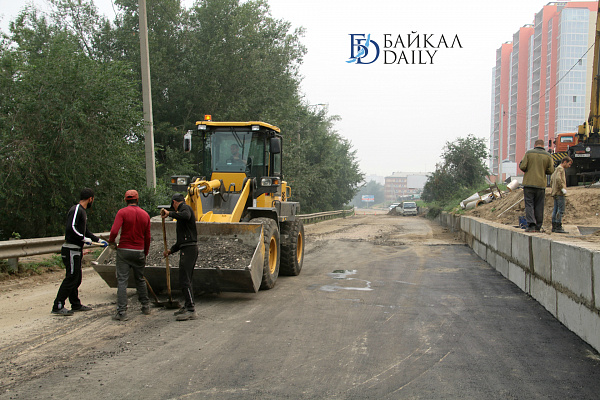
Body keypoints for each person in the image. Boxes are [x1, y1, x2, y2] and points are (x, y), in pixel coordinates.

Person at [52, 188, 107, 316]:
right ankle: (58, 305)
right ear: (90, 199)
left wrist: (98, 240)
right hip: (70, 249)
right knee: (71, 277)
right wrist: (83, 238)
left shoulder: (82, 212)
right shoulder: (77, 209)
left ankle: (75, 304)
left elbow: (85, 231)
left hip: (76, 250)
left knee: (76, 279)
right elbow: (71, 228)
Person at [108, 190, 152, 321]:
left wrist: (111, 242)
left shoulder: (122, 212)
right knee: (140, 279)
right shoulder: (145, 215)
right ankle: (145, 306)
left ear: (125, 200)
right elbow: (147, 237)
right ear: (137, 200)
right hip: (139, 251)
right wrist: (145, 252)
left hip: (124, 251)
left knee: (122, 281)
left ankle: (122, 312)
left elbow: (114, 231)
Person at [160, 193, 199, 321]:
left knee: (184, 279)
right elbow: (180, 242)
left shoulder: (185, 208)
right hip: (187, 248)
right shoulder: (182, 216)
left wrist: (170, 214)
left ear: (174, 202)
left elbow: (185, 215)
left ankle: (191, 309)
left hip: (189, 250)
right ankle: (187, 305)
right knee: (186, 279)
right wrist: (170, 251)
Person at [519, 139, 555, 233]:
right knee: (539, 205)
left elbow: (523, 166)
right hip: (541, 185)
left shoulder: (529, 153)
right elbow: (551, 170)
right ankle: (538, 227)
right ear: (543, 145)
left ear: (535, 145)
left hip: (529, 184)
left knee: (529, 204)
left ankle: (531, 225)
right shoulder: (548, 155)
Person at [550, 156, 573, 234]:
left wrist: (553, 189)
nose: (569, 166)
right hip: (559, 193)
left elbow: (552, 179)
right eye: (569, 164)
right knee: (561, 210)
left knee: (555, 209)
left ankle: (554, 226)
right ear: (565, 162)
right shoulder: (561, 169)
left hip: (555, 192)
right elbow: (558, 179)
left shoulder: (556, 169)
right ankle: (558, 226)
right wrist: (562, 188)